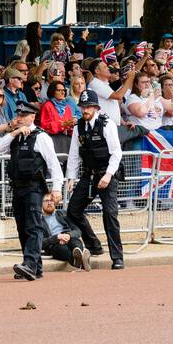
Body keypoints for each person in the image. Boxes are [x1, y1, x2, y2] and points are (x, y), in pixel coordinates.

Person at [0, 102, 65, 281]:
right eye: (18, 115)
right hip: (18, 188)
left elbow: (54, 165)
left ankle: (30, 264)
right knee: (22, 228)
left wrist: (57, 188)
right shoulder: (15, 136)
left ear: (32, 117)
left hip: (34, 188)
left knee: (34, 227)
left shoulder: (41, 137)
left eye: (23, 115)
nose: (19, 118)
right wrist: (14, 132)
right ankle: (35, 267)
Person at [64, 90, 124, 270]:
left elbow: (116, 153)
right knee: (73, 210)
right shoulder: (78, 126)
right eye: (83, 107)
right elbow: (74, 155)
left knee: (109, 214)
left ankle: (117, 257)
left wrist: (108, 175)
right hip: (89, 174)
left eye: (88, 106)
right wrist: (71, 178)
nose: (85, 110)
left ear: (96, 107)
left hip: (107, 173)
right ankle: (94, 245)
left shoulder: (107, 124)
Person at [39, 191, 92, 271]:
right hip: (54, 244)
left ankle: (77, 260)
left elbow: (77, 231)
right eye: (46, 201)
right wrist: (57, 237)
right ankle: (82, 261)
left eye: (52, 200)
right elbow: (41, 242)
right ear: (41, 203)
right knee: (62, 249)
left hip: (69, 239)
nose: (49, 203)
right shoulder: (39, 220)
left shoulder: (63, 214)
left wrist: (68, 235)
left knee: (76, 242)